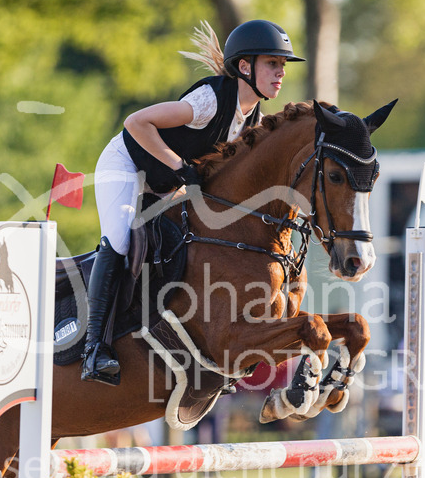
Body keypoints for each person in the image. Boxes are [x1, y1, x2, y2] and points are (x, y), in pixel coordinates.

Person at [81, 20, 304, 383]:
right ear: (245, 67)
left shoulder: (252, 119)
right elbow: (136, 123)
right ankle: (94, 348)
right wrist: (179, 167)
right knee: (121, 239)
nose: (280, 73)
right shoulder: (209, 101)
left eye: (282, 66)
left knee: (186, 243)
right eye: (272, 64)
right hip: (127, 164)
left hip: (167, 184)